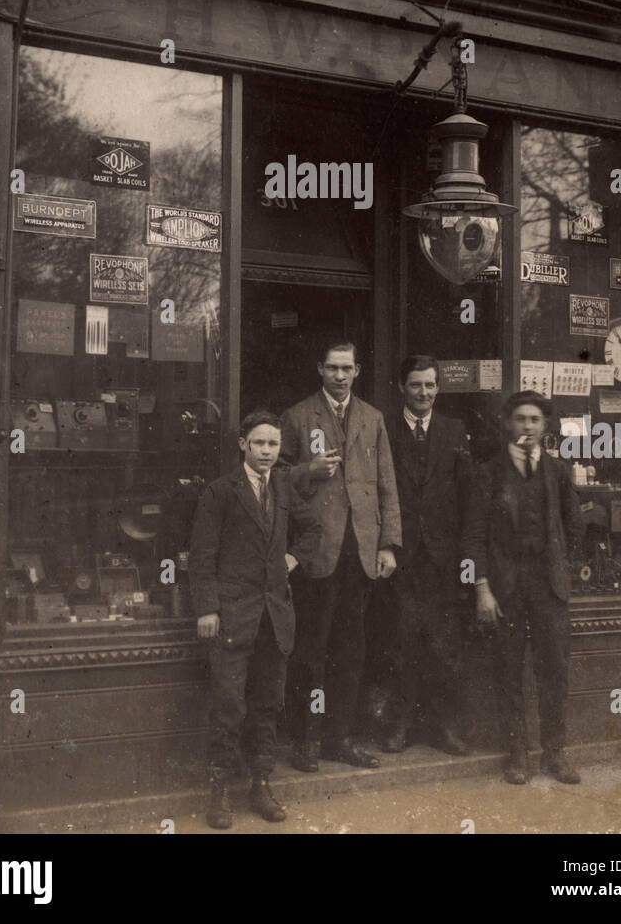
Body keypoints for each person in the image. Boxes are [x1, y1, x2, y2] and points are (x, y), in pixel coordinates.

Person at [189, 409, 321, 829]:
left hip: (273, 616)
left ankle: (262, 784)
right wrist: (208, 608)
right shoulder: (220, 492)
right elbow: (202, 556)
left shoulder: (283, 486)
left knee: (267, 705)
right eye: (259, 443)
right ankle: (220, 789)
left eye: (273, 444)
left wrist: (291, 558)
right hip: (232, 615)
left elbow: (313, 528)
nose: (266, 451)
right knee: (229, 705)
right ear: (243, 445)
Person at [281, 340, 402, 771]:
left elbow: (387, 484)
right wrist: (306, 472)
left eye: (346, 368)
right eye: (332, 368)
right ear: (320, 369)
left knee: (352, 650)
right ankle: (306, 739)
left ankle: (341, 738)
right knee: (312, 650)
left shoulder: (372, 418)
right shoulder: (297, 416)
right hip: (317, 552)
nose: (339, 375)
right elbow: (275, 479)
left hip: (361, 552)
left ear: (357, 370)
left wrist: (388, 543)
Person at [464, 391, 584, 785]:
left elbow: (573, 528)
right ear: (506, 424)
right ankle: (517, 755)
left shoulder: (559, 472)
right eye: (520, 419)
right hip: (505, 587)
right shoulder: (486, 473)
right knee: (509, 670)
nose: (527, 427)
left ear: (545, 426)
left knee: (555, 671)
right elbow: (473, 536)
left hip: (549, 587)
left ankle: (555, 753)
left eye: (534, 420)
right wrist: (482, 587)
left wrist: (562, 571)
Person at [384, 355, 473, 755]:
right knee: (401, 643)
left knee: (444, 647)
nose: (423, 393)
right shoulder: (382, 430)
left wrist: (464, 556)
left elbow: (466, 496)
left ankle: (444, 728)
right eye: (416, 385)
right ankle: (399, 725)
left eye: (430, 385)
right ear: (401, 386)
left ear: (439, 388)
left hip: (442, 558)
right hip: (399, 557)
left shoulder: (455, 431)